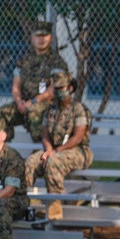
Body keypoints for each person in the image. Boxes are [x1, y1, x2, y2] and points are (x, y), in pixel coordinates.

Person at [23, 72, 93, 221]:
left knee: (53, 163)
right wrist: (48, 150)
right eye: (56, 88)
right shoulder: (50, 109)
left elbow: (78, 137)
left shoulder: (79, 109)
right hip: (54, 150)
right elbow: (45, 134)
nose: (59, 91)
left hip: (78, 151)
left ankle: (55, 212)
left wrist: (55, 152)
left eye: (62, 88)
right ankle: (21, 204)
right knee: (30, 162)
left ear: (71, 88)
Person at [0, 20, 68, 142]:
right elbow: (16, 87)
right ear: (32, 37)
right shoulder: (24, 60)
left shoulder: (57, 62)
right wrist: (19, 103)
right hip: (24, 105)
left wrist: (33, 102)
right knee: (3, 112)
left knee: (34, 111)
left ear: (51, 37)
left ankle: (40, 149)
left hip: (47, 106)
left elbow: (53, 90)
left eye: (45, 35)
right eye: (38, 35)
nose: (41, 39)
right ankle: (3, 151)